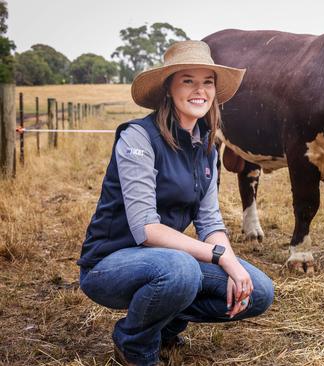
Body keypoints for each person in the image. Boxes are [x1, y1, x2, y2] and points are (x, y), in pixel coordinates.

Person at [77, 40, 274, 366]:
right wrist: (219, 256)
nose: (200, 90)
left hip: (168, 261)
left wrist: (234, 263)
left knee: (258, 291)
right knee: (181, 270)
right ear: (168, 88)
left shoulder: (208, 148)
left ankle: (163, 324)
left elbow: (210, 221)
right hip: (110, 264)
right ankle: (134, 343)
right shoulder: (138, 138)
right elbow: (147, 230)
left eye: (207, 82)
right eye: (188, 81)